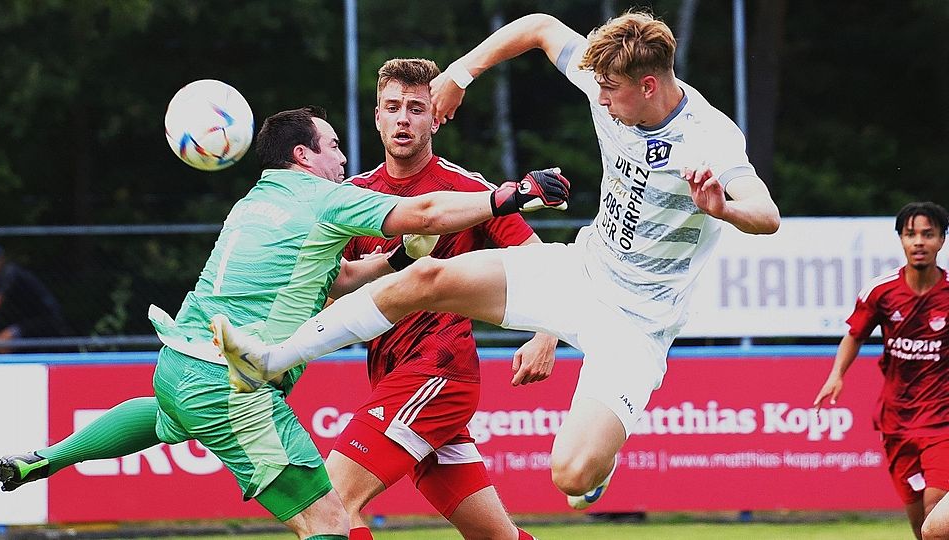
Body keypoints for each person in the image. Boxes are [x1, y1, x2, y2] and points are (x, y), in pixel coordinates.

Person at [213, 9, 780, 512]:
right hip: (581, 272)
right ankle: (268, 360)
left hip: (640, 323)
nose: (600, 101)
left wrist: (722, 208)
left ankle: (593, 475)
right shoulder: (606, 81)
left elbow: (766, 213)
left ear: (649, 85)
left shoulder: (711, 138)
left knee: (571, 474)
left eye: (611, 91)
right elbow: (536, 27)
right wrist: (459, 75)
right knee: (427, 275)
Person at [0, 106, 569, 539]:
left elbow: (338, 280)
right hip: (233, 386)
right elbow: (422, 210)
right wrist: (510, 195)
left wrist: (395, 260)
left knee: (163, 417)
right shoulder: (326, 199)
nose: (344, 160)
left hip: (178, 365)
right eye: (334, 148)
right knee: (332, 519)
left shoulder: (253, 204)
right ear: (303, 156)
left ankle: (49, 458)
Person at [326, 58, 552, 540]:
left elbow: (544, 264)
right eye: (393, 107)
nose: (403, 118)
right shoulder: (355, 197)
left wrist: (546, 335)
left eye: (415, 107)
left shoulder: (466, 190)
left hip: (437, 370)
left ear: (435, 117)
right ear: (377, 117)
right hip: (392, 375)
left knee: (331, 505)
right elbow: (331, 287)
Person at [814, 202, 949, 540]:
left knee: (937, 517)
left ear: (941, 241)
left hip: (942, 422)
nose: (919, 242)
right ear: (901, 240)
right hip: (897, 422)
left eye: (928, 234)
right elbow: (855, 334)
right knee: (921, 526)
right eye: (911, 234)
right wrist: (836, 375)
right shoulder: (881, 291)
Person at [0, 241, 69, 353]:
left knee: (1, 343)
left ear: (1, 260)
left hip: (45, 320)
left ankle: (12, 370)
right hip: (24, 321)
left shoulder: (9, 274)